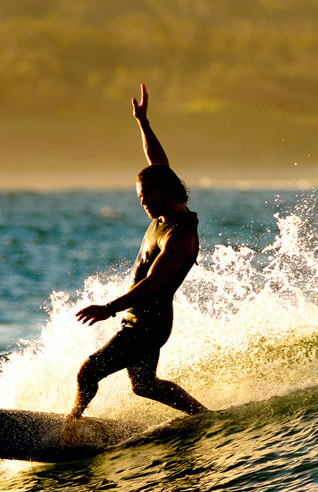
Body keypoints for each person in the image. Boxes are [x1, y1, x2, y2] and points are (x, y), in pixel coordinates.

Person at [62, 84, 208, 444]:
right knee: (144, 386)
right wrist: (143, 122)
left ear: (166, 192)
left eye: (146, 198)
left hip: (150, 322)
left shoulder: (180, 235)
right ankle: (204, 418)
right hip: (141, 318)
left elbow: (156, 283)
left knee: (88, 372)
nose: (143, 204)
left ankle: (70, 427)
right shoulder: (163, 209)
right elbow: (157, 162)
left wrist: (108, 308)